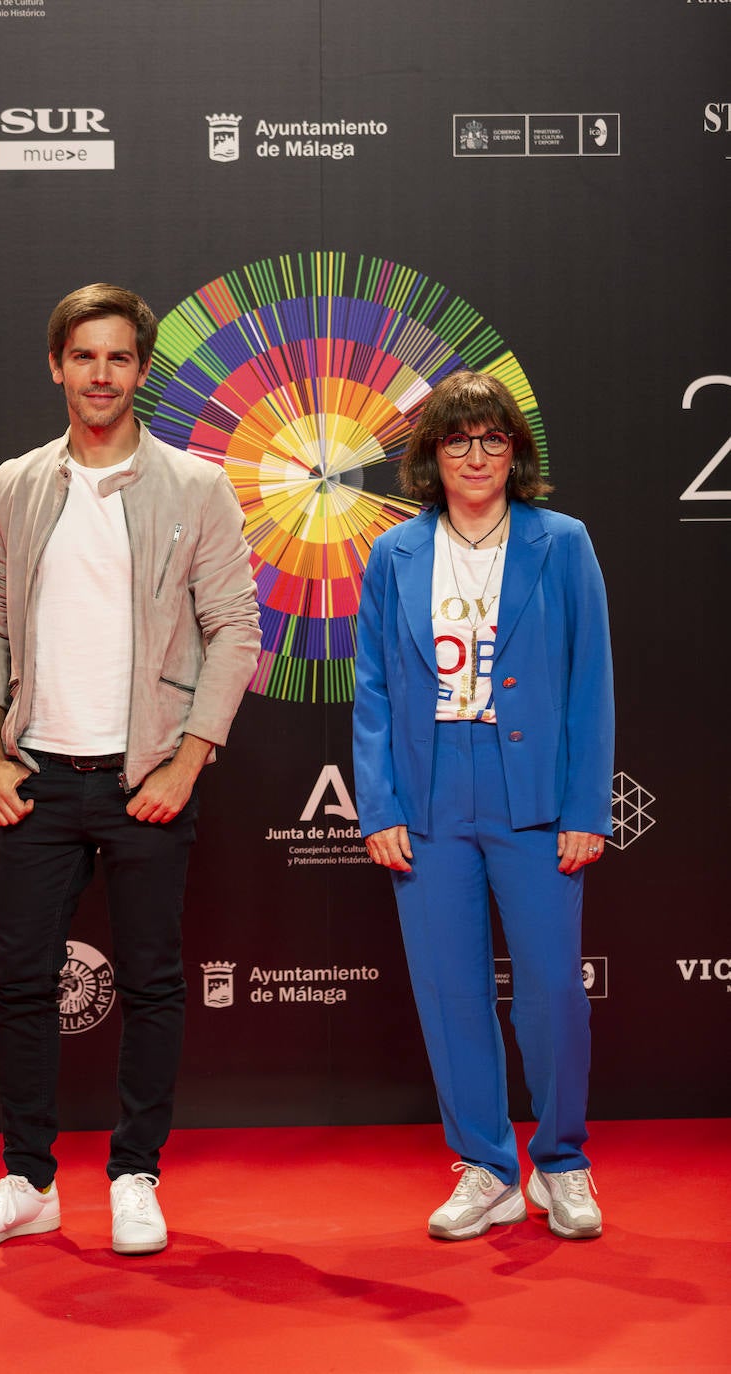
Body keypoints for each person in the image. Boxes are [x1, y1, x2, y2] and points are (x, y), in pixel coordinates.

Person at [0, 283, 260, 1255]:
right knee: (20, 980)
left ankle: (134, 1173)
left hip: (147, 775)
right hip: (36, 774)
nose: (101, 375)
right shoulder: (15, 485)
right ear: (56, 366)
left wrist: (189, 761)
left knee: (154, 981)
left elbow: (235, 631)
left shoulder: (195, 488)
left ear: (141, 371)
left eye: (119, 358)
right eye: (85, 357)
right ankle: (28, 1179)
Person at [352, 369, 613, 1242]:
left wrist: (586, 807)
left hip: (533, 790)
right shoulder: (394, 554)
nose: (475, 455)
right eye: (457, 439)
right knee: (450, 992)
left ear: (515, 450)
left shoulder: (561, 541)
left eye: (492, 438)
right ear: (431, 453)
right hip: (429, 790)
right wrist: (380, 805)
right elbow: (377, 691)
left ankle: (562, 1164)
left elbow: (589, 687)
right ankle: (487, 1168)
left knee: (550, 991)